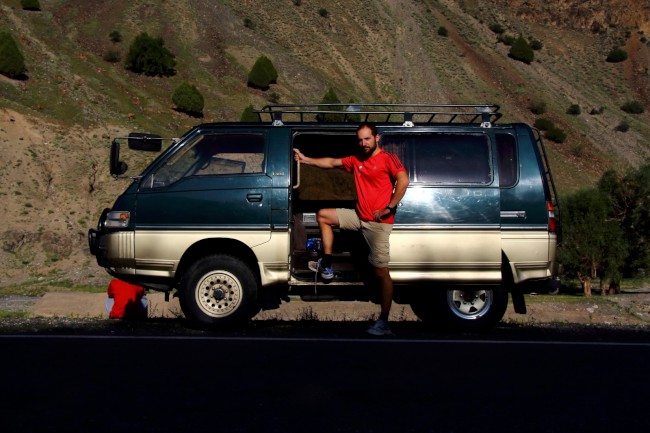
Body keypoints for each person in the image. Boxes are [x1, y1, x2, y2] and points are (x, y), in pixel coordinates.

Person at [293, 122, 409, 335]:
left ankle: (384, 322)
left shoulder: (387, 158)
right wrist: (305, 159)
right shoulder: (356, 160)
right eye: (360, 139)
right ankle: (326, 265)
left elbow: (403, 180)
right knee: (323, 215)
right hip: (359, 216)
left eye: (367, 138)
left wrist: (389, 207)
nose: (363, 143)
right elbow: (331, 162)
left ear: (377, 138)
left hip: (378, 224)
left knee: (381, 272)